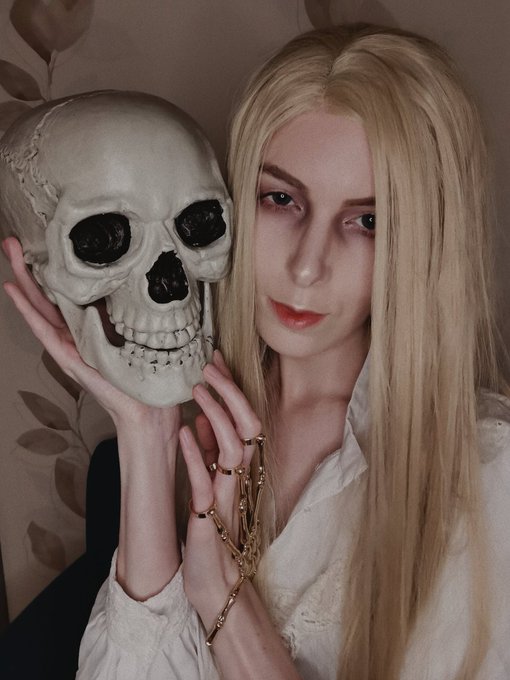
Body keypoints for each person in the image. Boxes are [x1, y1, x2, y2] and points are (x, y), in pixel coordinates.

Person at [3, 22, 510, 680]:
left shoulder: (484, 478)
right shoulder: (199, 444)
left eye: (368, 221)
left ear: (423, 241)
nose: (307, 266)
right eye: (282, 199)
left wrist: (222, 594)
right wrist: (146, 435)